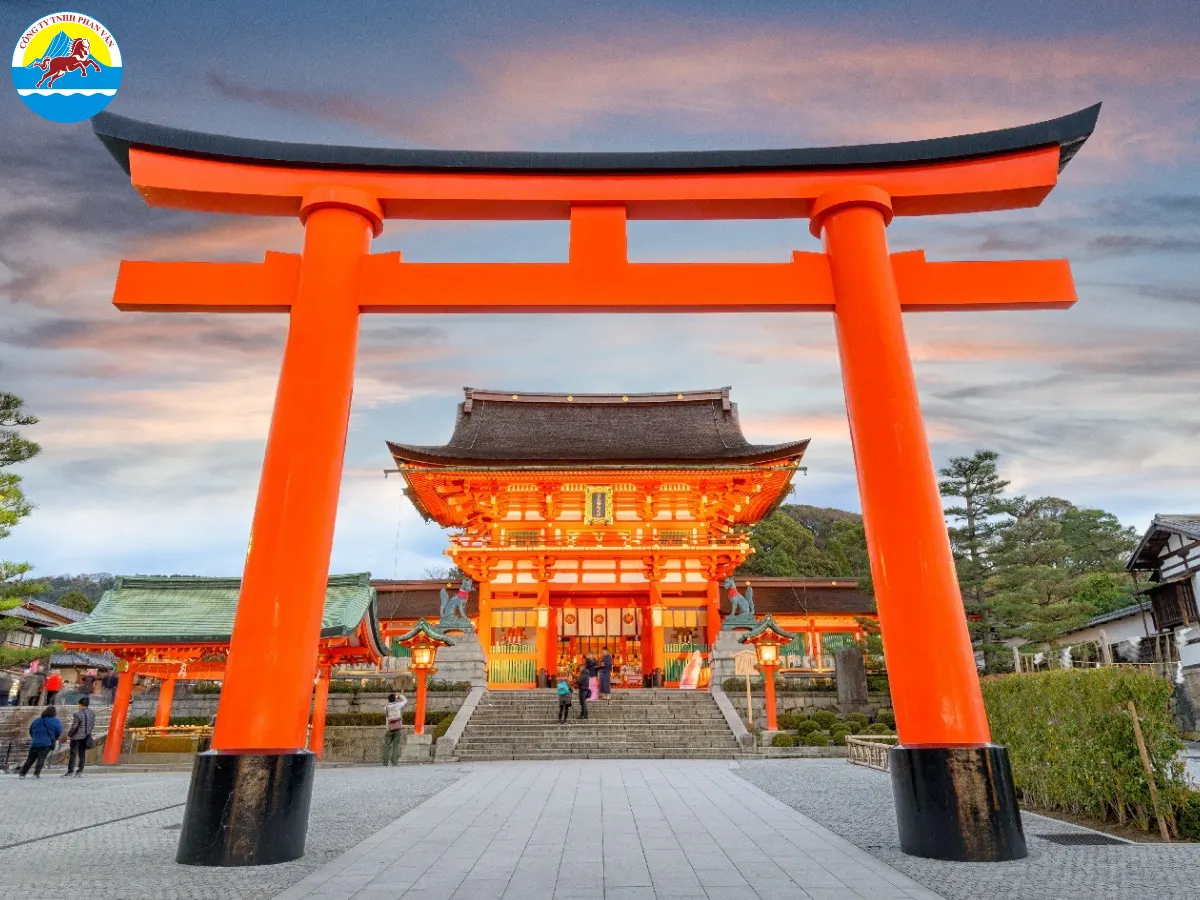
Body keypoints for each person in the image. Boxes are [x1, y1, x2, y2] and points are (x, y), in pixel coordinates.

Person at [19, 705, 62, 778]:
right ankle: (36, 774)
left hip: (35, 743)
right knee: (41, 759)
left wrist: (35, 738)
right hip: (46, 743)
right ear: (54, 713)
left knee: (30, 759)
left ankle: (22, 774)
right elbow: (58, 731)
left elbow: (31, 730)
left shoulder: (37, 720)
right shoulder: (55, 721)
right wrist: (54, 737)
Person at [64, 696, 95, 777]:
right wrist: (88, 732)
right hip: (86, 736)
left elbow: (74, 726)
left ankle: (70, 771)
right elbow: (92, 725)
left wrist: (69, 734)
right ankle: (79, 771)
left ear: (81, 704)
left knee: (73, 755)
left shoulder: (77, 714)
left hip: (76, 737)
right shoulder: (92, 713)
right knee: (82, 754)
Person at [383, 691, 408, 766]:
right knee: (396, 745)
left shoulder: (385, 708)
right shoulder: (399, 705)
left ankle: (385, 762)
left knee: (387, 745)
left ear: (388, 700)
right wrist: (399, 696)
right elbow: (405, 701)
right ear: (395, 699)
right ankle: (394, 762)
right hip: (397, 728)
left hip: (389, 728)